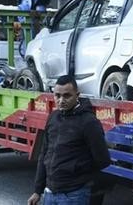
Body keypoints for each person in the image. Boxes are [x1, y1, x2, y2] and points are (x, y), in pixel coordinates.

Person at [28, 75, 111, 205]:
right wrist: (37, 191)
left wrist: (76, 171)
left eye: (67, 96)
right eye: (57, 96)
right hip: (50, 193)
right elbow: (44, 154)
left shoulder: (88, 122)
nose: (61, 100)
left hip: (74, 195)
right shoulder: (53, 118)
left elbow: (103, 160)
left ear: (77, 95)